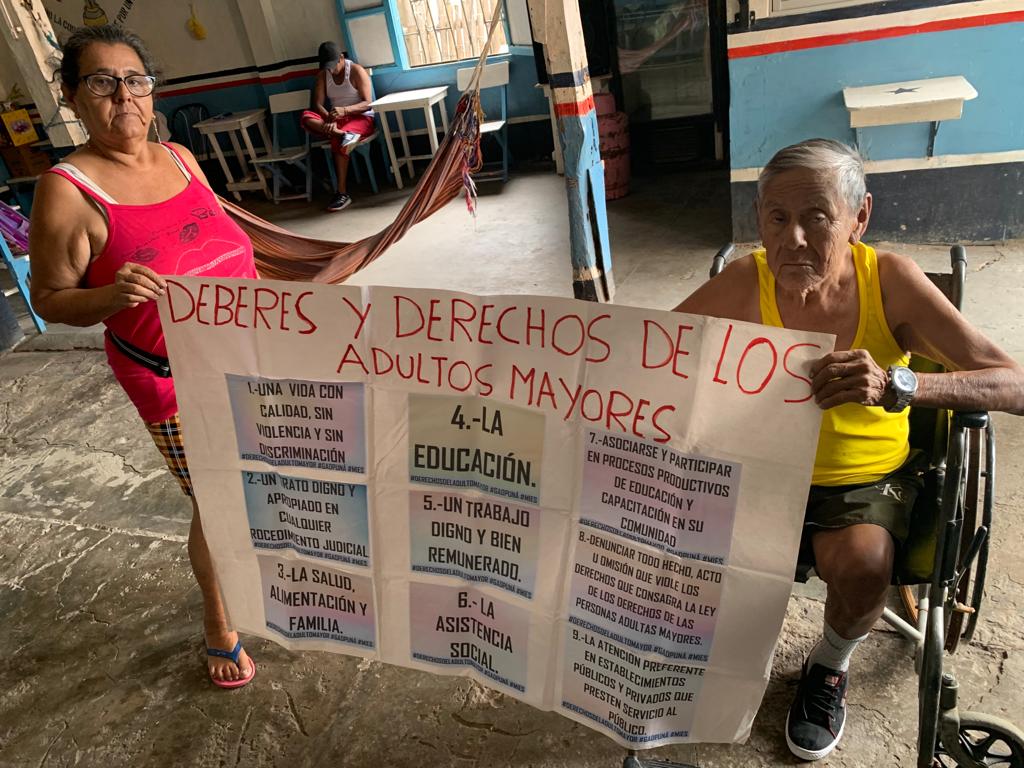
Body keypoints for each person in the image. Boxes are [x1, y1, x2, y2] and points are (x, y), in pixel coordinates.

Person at [675, 138, 1024, 761]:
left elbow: (1013, 382)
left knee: (864, 566)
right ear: (759, 221)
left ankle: (829, 665)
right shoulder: (744, 281)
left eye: (817, 218)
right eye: (777, 219)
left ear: (859, 217)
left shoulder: (889, 282)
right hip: (759, 469)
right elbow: (646, 350)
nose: (794, 240)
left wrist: (900, 383)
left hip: (861, 479)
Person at [29, 25, 258, 688]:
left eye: (135, 80)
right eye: (102, 82)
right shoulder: (67, 190)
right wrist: (110, 295)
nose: (123, 96)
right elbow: (49, 299)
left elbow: (226, 242)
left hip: (249, 354)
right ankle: (219, 624)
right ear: (72, 96)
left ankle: (266, 581)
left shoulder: (181, 158)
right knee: (219, 501)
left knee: (261, 481)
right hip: (171, 379)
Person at [300, 42, 375, 213]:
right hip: (336, 120)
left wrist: (345, 110)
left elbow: (368, 103)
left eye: (333, 65)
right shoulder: (322, 75)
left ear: (341, 57)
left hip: (360, 117)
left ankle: (341, 193)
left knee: (338, 143)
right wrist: (329, 118)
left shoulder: (356, 71)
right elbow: (318, 104)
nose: (331, 70)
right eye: (328, 67)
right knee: (306, 117)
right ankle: (343, 134)